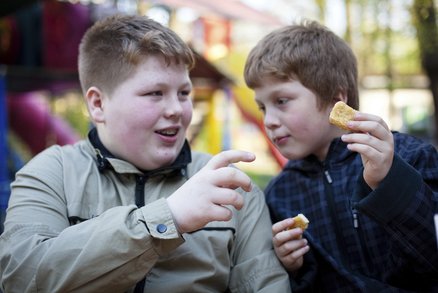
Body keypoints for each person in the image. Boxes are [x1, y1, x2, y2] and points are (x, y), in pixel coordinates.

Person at [0, 14, 291, 293]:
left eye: (184, 93)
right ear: (98, 104)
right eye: (155, 93)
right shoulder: (51, 173)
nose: (177, 109)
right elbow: (21, 278)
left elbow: (266, 284)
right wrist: (169, 218)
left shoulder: (229, 186)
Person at [243, 20, 438, 292]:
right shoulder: (280, 194)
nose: (270, 121)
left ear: (337, 100)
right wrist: (293, 267)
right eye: (262, 107)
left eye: (281, 101)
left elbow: (430, 258)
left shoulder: (410, 157)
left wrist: (390, 182)